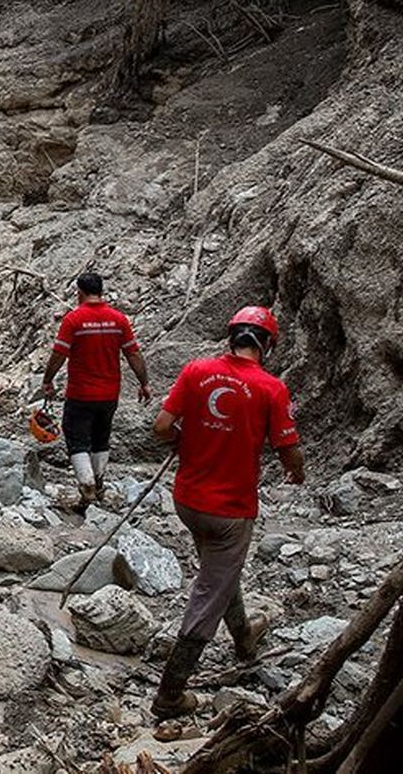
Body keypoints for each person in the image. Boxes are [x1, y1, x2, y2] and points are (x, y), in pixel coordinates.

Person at [149, 305, 305, 720]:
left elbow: (163, 426)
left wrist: (187, 441)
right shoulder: (271, 388)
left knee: (220, 572)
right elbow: (288, 448)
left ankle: (244, 641)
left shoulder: (196, 371)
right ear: (267, 344)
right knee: (209, 589)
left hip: (187, 501)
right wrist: (297, 472)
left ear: (231, 335)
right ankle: (169, 694)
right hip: (231, 509)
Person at [41, 273, 152, 505]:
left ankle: (87, 484)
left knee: (77, 438)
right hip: (110, 394)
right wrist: (144, 383)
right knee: (101, 437)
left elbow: (59, 353)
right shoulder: (118, 319)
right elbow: (133, 353)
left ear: (79, 292)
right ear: (100, 291)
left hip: (81, 393)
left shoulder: (73, 320)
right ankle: (98, 481)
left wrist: (47, 380)